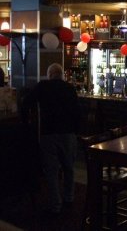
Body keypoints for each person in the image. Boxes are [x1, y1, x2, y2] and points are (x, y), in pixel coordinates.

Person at [22, 63, 81, 215]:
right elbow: (78, 112)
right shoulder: (70, 88)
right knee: (69, 168)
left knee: (51, 171)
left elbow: (26, 103)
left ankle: (56, 204)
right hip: (68, 133)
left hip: (49, 133)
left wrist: (26, 121)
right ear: (61, 75)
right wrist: (77, 132)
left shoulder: (43, 86)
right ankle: (69, 198)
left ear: (49, 75)